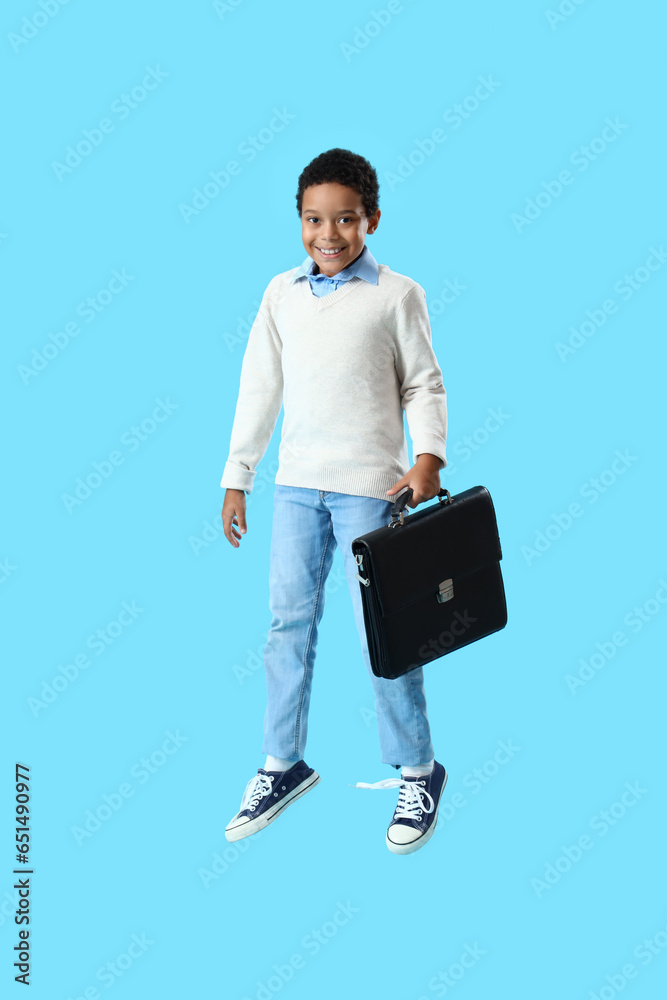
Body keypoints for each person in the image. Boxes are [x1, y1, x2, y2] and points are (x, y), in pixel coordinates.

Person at [220, 148, 448, 855]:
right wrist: (238, 474)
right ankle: (280, 764)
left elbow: (423, 385)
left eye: (345, 219)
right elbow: (260, 387)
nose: (329, 234)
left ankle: (417, 768)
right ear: (298, 221)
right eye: (314, 219)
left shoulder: (395, 294)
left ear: (370, 220)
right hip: (295, 489)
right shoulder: (280, 294)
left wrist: (427, 460)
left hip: (369, 493)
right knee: (286, 624)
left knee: (384, 633)